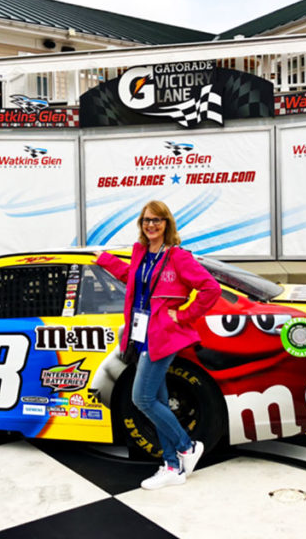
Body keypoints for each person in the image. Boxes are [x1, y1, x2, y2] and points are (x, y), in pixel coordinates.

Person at [94, 200, 221, 490]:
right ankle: (172, 467)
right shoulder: (141, 252)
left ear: (167, 224)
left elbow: (210, 289)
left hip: (162, 336)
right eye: (146, 220)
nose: (151, 225)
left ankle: (186, 446)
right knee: (159, 401)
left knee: (143, 399)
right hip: (140, 334)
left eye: (157, 220)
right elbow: (134, 279)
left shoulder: (177, 256)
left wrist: (184, 314)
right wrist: (107, 260)